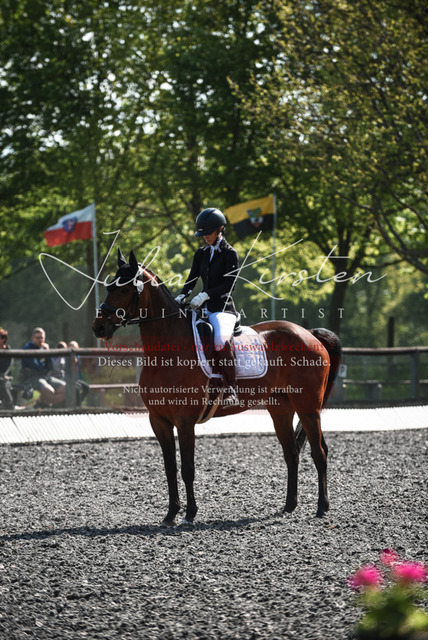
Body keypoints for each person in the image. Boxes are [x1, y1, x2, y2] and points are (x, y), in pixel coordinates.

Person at [175, 207, 240, 407]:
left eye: (209, 233)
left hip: (223, 308)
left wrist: (205, 295)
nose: (205, 237)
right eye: (202, 234)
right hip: (203, 308)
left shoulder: (230, 254)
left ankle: (231, 388)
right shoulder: (201, 253)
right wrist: (183, 294)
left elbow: (229, 285)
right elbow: (192, 278)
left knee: (220, 340)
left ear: (220, 229)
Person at [21, 327, 66, 407]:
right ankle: (44, 404)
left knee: (66, 388)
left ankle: (41, 403)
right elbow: (35, 366)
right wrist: (42, 354)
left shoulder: (44, 349)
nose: (40, 340)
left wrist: (48, 353)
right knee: (50, 391)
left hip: (45, 377)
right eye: (38, 338)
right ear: (32, 338)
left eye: (42, 338)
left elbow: (51, 367)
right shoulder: (28, 348)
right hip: (32, 378)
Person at [0, 327, 14, 410]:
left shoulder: (8, 352)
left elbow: (8, 367)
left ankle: (9, 404)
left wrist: (3, 375)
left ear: (3, 339)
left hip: (6, 378)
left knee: (1, 382)